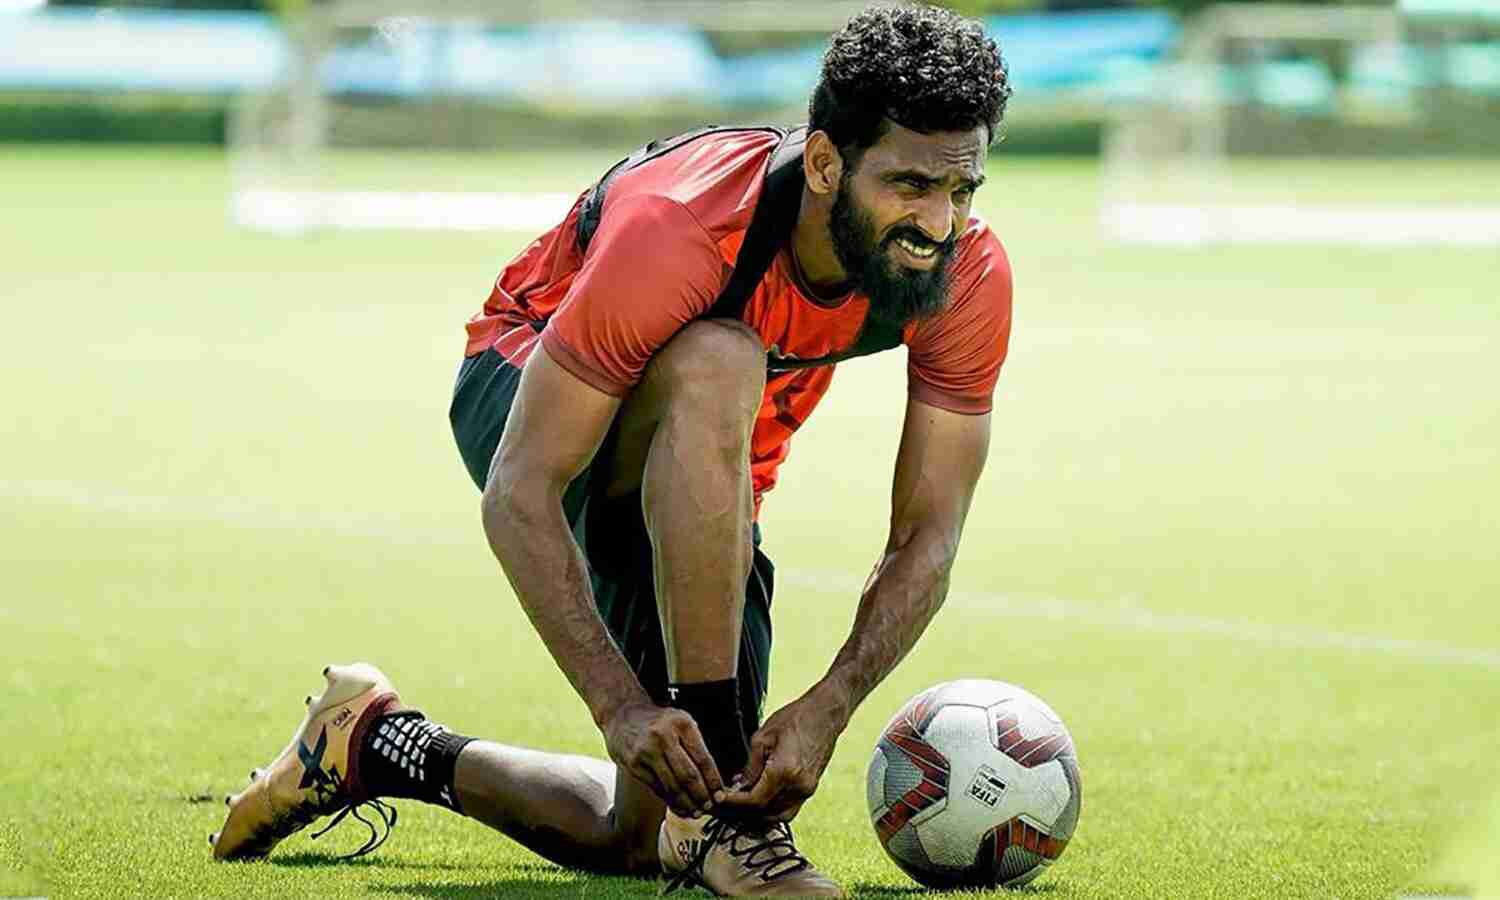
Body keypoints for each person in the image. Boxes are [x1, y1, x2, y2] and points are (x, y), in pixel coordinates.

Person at [211, 4, 1013, 896]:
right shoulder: (683, 226)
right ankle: (721, 827)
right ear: (825, 164)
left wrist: (831, 705)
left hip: (696, 475)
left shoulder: (968, 273)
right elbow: (520, 488)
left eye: (962, 190)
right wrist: (618, 706)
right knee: (719, 355)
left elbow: (928, 537)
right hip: (528, 395)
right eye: (910, 185)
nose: (940, 221)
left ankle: (373, 742)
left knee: (638, 833)